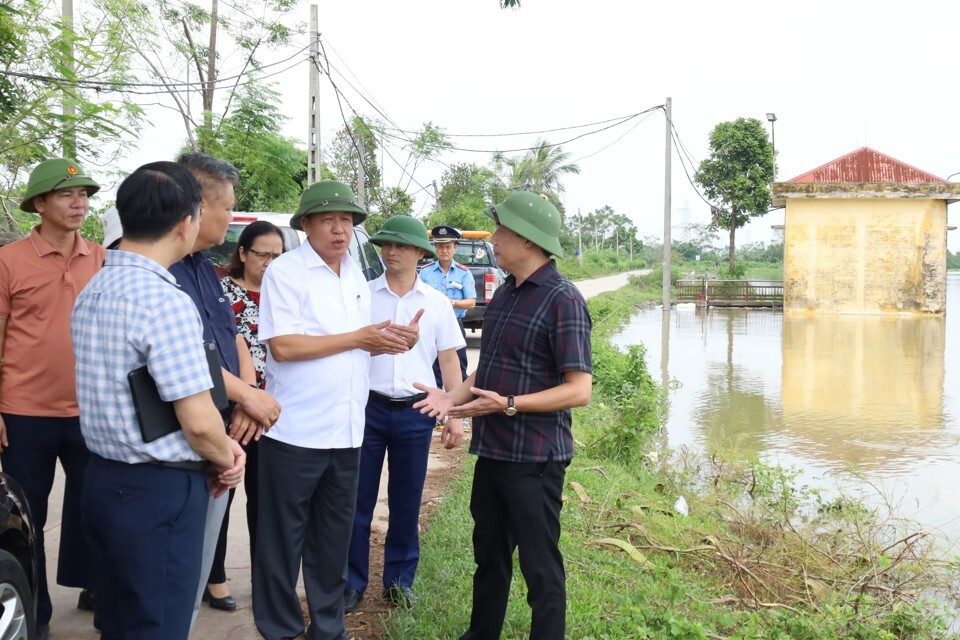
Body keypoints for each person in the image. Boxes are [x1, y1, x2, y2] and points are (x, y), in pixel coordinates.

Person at [71, 161, 246, 640]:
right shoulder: (163, 301)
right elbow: (199, 422)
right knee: (159, 626)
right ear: (186, 222)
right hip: (159, 494)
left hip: (102, 482)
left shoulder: (94, 289)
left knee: (120, 624)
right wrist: (227, 456)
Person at [414, 192, 593, 640]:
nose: (494, 239)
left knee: (540, 566)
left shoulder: (563, 300)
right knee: (489, 555)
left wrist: (510, 404)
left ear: (529, 240)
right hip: (494, 450)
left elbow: (579, 390)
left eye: (503, 231)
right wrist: (449, 398)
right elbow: (486, 371)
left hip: (535, 459)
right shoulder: (508, 291)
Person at [253, 180, 413, 640]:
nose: (339, 229)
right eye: (328, 219)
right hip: (295, 432)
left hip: (346, 432)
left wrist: (393, 343)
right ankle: (280, 628)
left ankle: (329, 628)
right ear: (305, 225)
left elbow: (354, 352)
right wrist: (358, 339)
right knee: (282, 540)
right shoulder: (286, 272)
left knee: (333, 542)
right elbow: (282, 346)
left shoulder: (355, 278)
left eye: (347, 220)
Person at [170, 153, 282, 621]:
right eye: (228, 208)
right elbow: (181, 357)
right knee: (175, 569)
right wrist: (246, 395)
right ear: (198, 206)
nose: (231, 217)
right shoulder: (166, 273)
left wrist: (244, 397)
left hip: (229, 417)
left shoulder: (200, 266)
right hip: (187, 433)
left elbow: (229, 337)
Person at [0, 158, 103, 638]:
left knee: (98, 510)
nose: (79, 202)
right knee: (28, 518)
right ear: (39, 204)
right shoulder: (8, 261)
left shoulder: (101, 258)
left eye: (83, 194)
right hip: (24, 413)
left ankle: (95, 590)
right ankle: (35, 613)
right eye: (66, 194)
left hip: (92, 412)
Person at [344, 216, 465, 614]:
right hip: (368, 407)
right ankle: (351, 582)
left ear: (419, 253)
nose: (390, 252)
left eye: (400, 246)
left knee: (406, 501)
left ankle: (398, 582)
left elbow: (449, 360)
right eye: (385, 245)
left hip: (416, 411)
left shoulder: (436, 303)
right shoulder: (361, 295)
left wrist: (455, 414)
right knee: (357, 501)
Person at [219, 220, 286, 565]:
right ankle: (214, 579)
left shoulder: (289, 295)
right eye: (263, 255)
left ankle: (265, 575)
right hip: (232, 410)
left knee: (265, 501)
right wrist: (244, 399)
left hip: (275, 413)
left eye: (278, 256)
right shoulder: (221, 294)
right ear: (243, 253)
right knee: (221, 496)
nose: (270, 263)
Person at [418, 224, 476, 384]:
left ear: (455, 248)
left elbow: (471, 302)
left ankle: (459, 405)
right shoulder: (425, 271)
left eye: (448, 247)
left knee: (459, 367)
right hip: (430, 324)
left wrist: (452, 303)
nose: (444, 251)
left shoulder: (464, 272)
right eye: (440, 246)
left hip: (454, 324)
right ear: (435, 248)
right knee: (432, 368)